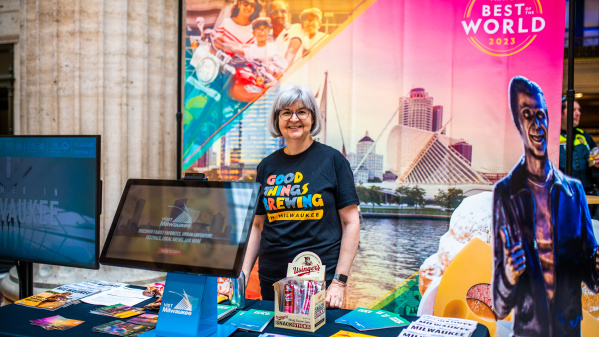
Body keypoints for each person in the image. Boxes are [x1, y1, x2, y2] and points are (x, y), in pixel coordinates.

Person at [492, 76, 599, 336]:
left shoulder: (574, 192)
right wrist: (507, 275)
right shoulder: (505, 194)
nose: (537, 124)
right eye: (527, 115)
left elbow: (591, 280)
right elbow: (499, 306)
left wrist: (596, 265)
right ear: (518, 122)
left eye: (541, 115)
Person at [241, 84, 360, 309]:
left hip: (317, 280)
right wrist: (244, 275)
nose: (294, 119)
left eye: (302, 112)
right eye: (286, 112)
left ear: (312, 118)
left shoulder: (333, 161)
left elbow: (351, 222)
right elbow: (257, 226)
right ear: (277, 120)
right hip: (272, 278)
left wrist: (339, 282)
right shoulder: (266, 166)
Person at [559, 98, 599, 194]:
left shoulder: (585, 136)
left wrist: (597, 164)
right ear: (560, 114)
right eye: (573, 110)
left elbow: (595, 163)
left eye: (579, 110)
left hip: (586, 193)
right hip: (561, 194)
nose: (578, 113)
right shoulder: (551, 137)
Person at [268, 0, 305, 66]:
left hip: (290, 74)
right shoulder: (266, 35)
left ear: (287, 14)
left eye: (283, 11)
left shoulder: (295, 28)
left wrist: (280, 71)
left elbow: (291, 52)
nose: (279, 15)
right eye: (275, 12)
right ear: (269, 15)